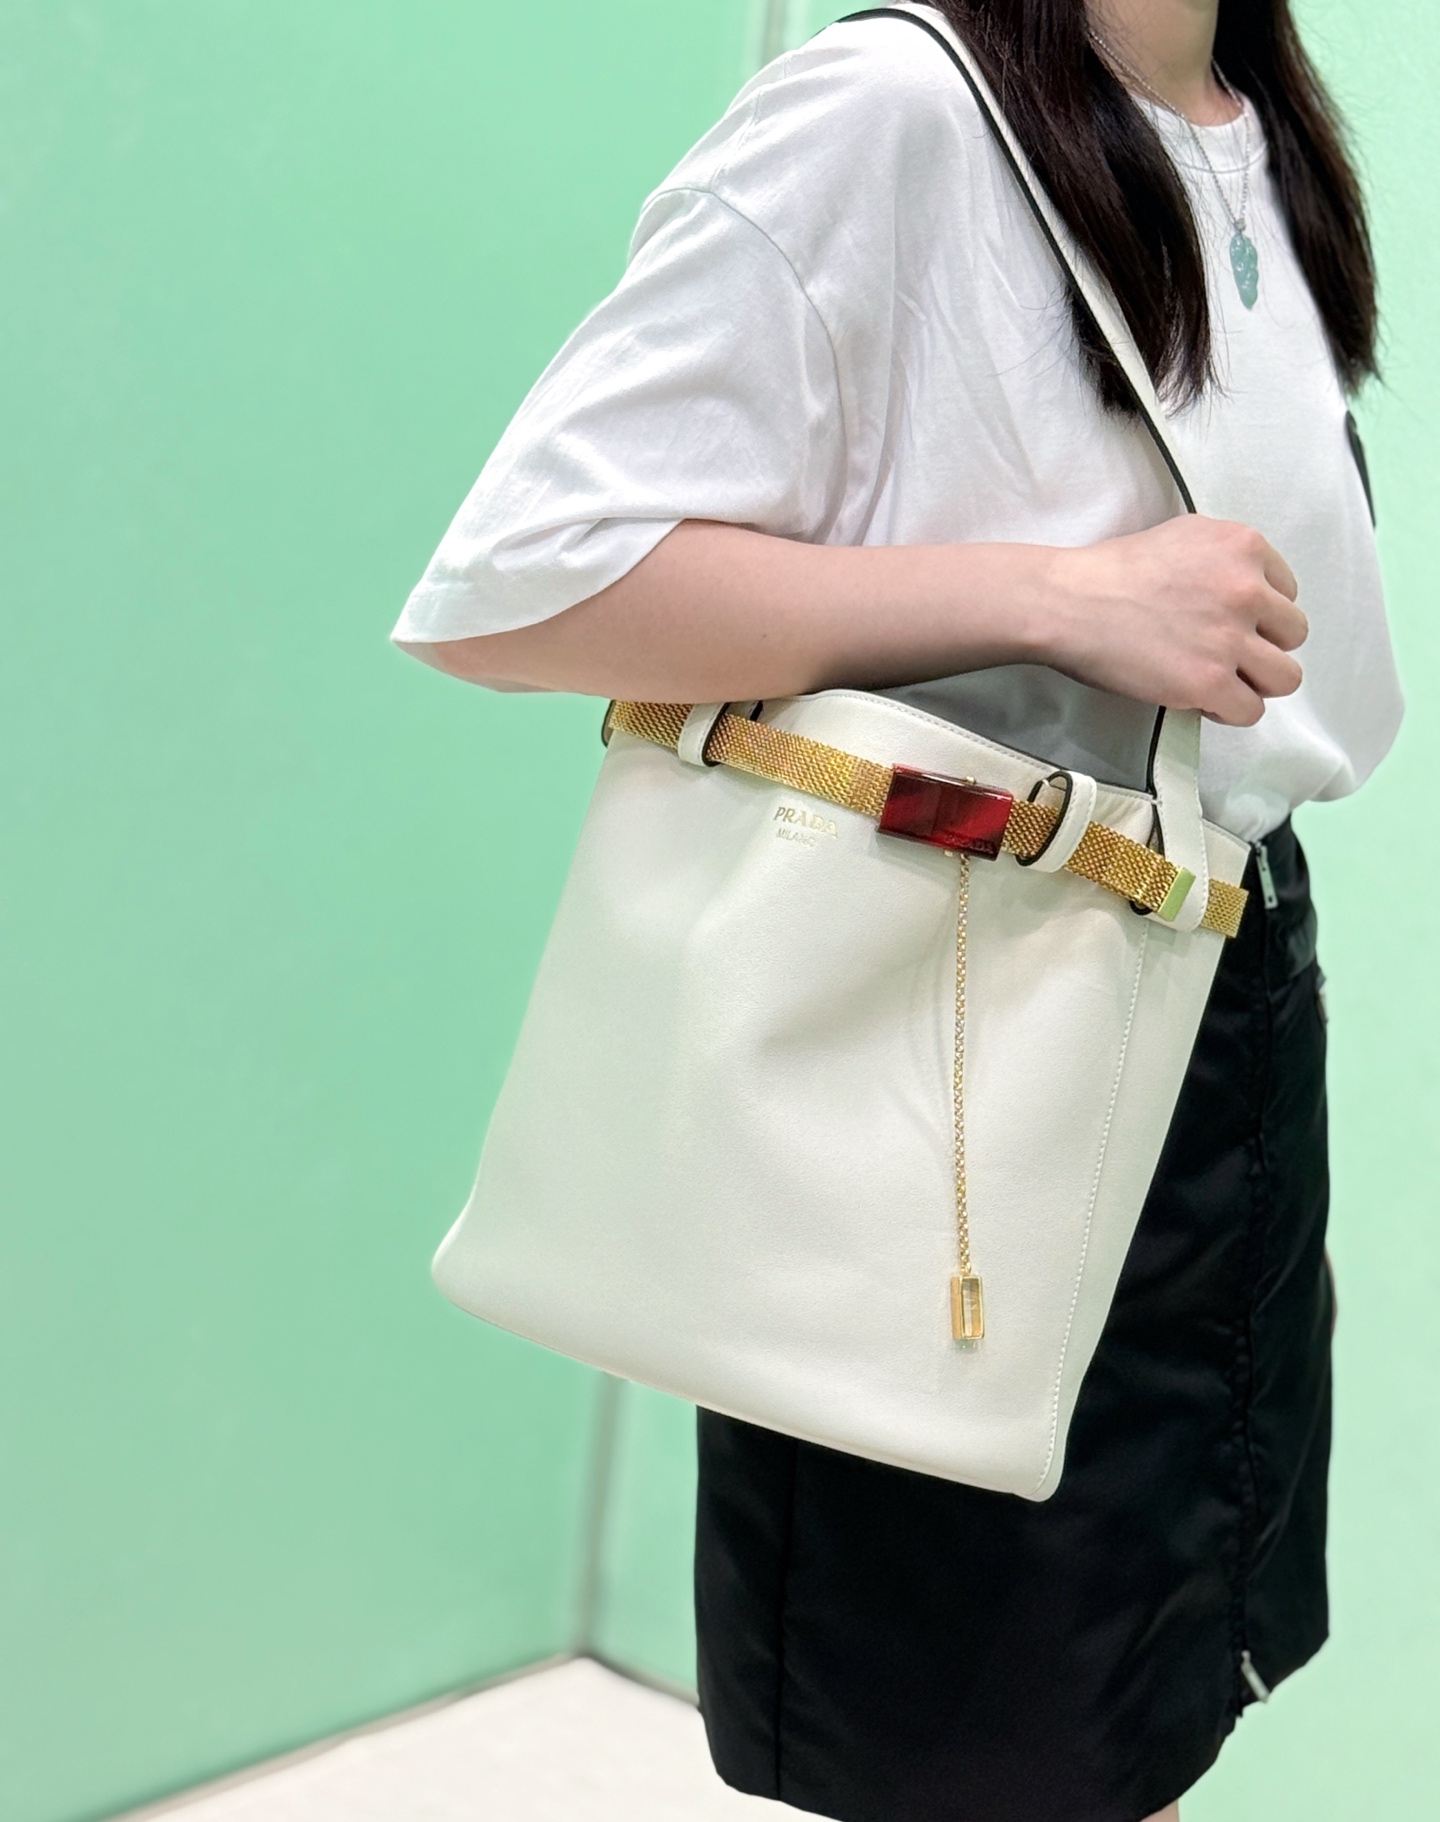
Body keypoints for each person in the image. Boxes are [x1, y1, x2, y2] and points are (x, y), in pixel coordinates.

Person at [394, 2, 1401, 1817]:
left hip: (1229, 1004)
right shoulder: (892, 113)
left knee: (1155, 1712)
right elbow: (526, 585)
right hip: (959, 1031)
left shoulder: (1260, 133)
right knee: (975, 1746)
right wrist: (1053, 598)